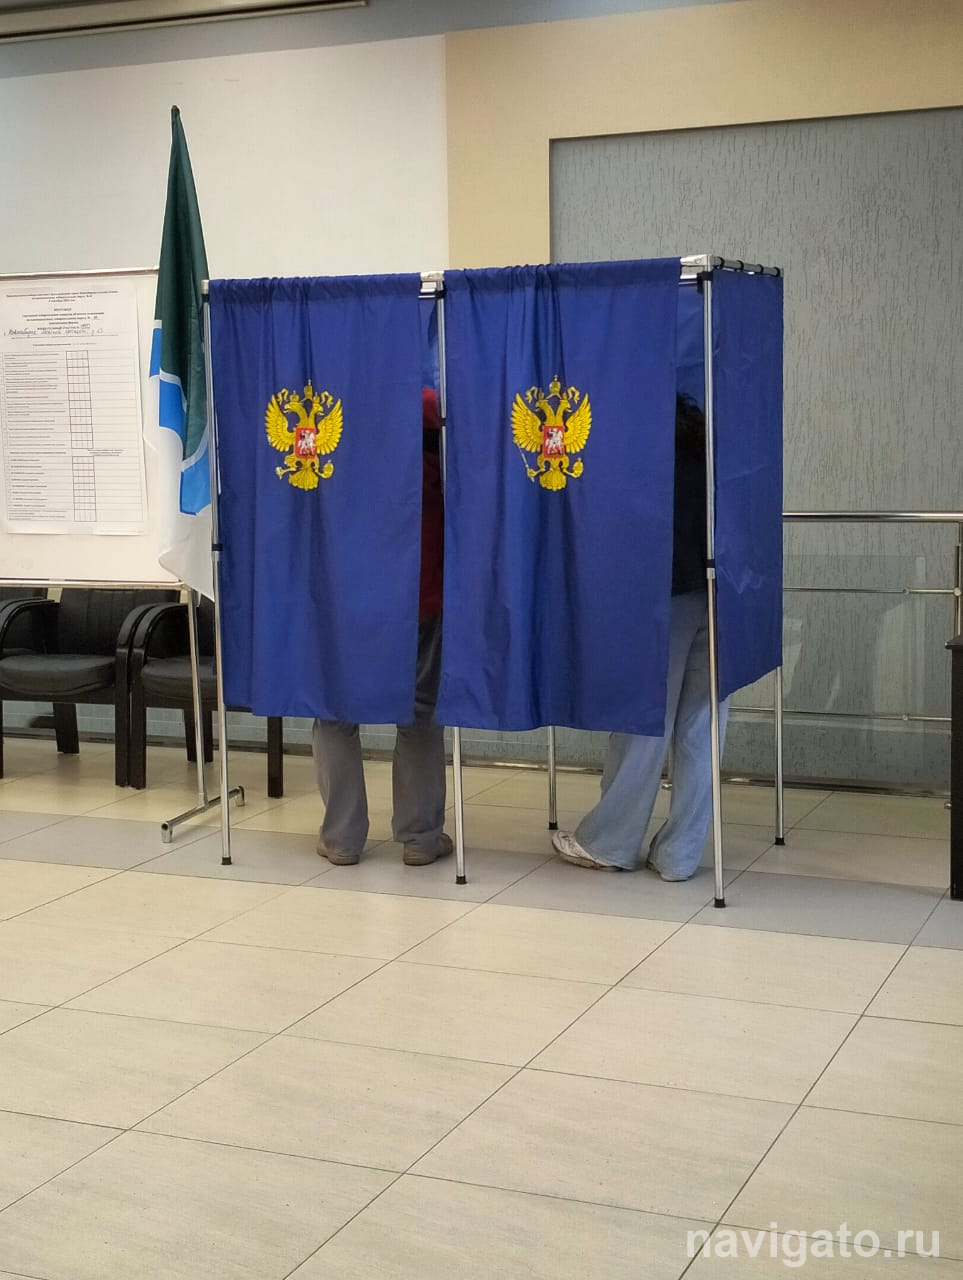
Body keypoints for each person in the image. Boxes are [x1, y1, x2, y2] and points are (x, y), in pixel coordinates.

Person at [551, 393, 729, 879]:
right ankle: (680, 854)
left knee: (643, 721)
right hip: (720, 590)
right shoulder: (712, 445)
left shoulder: (634, 450)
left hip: (660, 595)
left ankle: (610, 841)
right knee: (703, 726)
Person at [312, 387, 452, 867]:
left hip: (345, 592)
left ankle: (342, 838)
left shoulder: (330, 401)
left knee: (334, 710)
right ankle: (420, 838)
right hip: (419, 590)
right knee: (420, 711)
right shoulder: (430, 404)